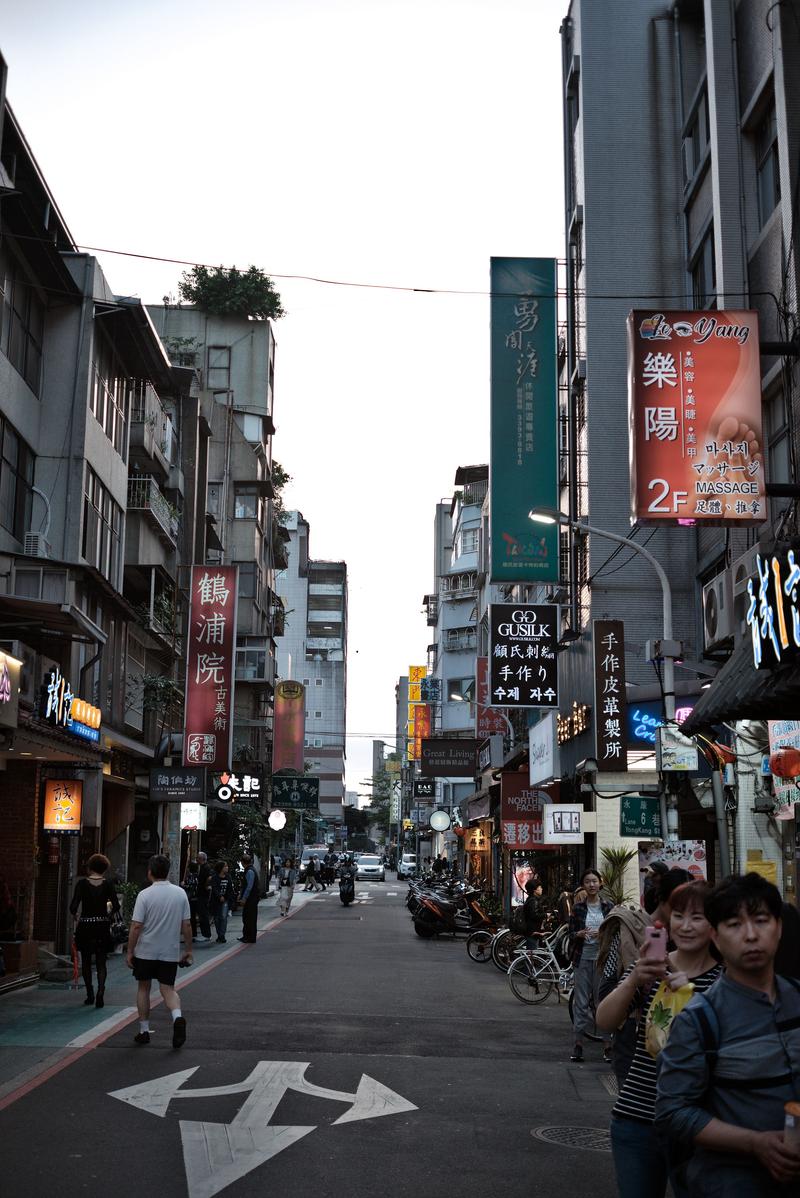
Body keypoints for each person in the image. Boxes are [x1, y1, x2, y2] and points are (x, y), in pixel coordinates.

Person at [656, 873, 800, 1196]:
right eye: (734, 925)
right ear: (716, 939)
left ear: (778, 928)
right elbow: (672, 1111)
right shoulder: (699, 1019)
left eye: (761, 920)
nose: (750, 935)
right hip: (731, 1183)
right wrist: (754, 1143)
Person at [597, 881, 722, 1198]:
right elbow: (604, 1021)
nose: (686, 925)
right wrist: (634, 980)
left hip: (698, 1122)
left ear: (716, 925)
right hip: (636, 1116)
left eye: (698, 917)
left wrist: (688, 994)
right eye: (679, 916)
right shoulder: (653, 968)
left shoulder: (725, 979)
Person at [598, 868, 692, 1087]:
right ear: (662, 900)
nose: (686, 921)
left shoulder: (702, 950)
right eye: (678, 909)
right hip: (635, 1039)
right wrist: (634, 982)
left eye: (695, 912)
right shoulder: (630, 927)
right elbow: (606, 990)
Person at [126, 853, 192, 1047]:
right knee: (168, 989)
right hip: (169, 952)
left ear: (150, 873)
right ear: (168, 872)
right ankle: (177, 1017)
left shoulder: (144, 895)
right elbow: (186, 925)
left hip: (145, 951)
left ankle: (144, 1030)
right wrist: (188, 949)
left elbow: (136, 926)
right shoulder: (180, 894)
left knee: (144, 988)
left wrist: (130, 951)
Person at [568, 867, 613, 1063]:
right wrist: (579, 934)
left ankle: (608, 1045)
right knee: (581, 1002)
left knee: (602, 1002)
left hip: (602, 960)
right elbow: (569, 934)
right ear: (583, 885)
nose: (592, 885)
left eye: (594, 881)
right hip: (582, 959)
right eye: (588, 882)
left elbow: (614, 934)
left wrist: (602, 935)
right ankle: (578, 1043)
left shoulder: (608, 906)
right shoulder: (577, 908)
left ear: (600, 882)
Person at [69, 853, 120, 1009]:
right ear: (104, 869)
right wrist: (108, 915)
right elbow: (116, 906)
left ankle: (90, 993)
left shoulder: (82, 884)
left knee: (86, 961)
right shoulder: (108, 884)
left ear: (90, 867)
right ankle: (101, 993)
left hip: (85, 926)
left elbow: (73, 907)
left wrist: (76, 915)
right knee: (101, 962)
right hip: (102, 926)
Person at [210, 861, 234, 943]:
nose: (227, 868)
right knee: (217, 918)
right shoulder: (215, 877)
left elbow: (230, 889)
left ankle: (222, 935)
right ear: (221, 868)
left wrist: (226, 897)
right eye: (225, 866)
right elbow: (214, 888)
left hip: (225, 900)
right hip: (216, 901)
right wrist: (219, 896)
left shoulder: (228, 877)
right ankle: (219, 934)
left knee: (223, 917)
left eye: (227, 866)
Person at [238, 854, 260, 943]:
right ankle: (248, 936)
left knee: (248, 918)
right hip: (253, 898)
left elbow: (249, 886)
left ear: (242, 862)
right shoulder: (251, 870)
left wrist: (244, 898)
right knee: (248, 917)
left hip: (251, 899)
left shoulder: (249, 871)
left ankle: (249, 937)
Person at [522, 879, 546, 947]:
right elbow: (534, 915)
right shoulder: (533, 900)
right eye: (540, 887)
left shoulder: (531, 899)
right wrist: (545, 915)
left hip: (531, 930)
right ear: (535, 890)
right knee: (532, 954)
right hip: (533, 931)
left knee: (533, 953)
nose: (541, 889)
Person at [196, 851, 213, 941]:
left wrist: (206, 886)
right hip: (202, 893)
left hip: (203, 894)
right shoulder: (202, 867)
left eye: (198, 858)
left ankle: (206, 934)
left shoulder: (206, 867)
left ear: (202, 859)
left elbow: (210, 878)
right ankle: (205, 934)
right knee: (202, 913)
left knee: (203, 914)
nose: (196, 859)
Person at [182, 859, 200, 938]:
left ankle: (192, 933)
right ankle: (194, 933)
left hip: (191, 898)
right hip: (196, 898)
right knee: (193, 916)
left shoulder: (191, 876)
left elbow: (191, 886)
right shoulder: (198, 875)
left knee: (190, 916)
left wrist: (183, 885)